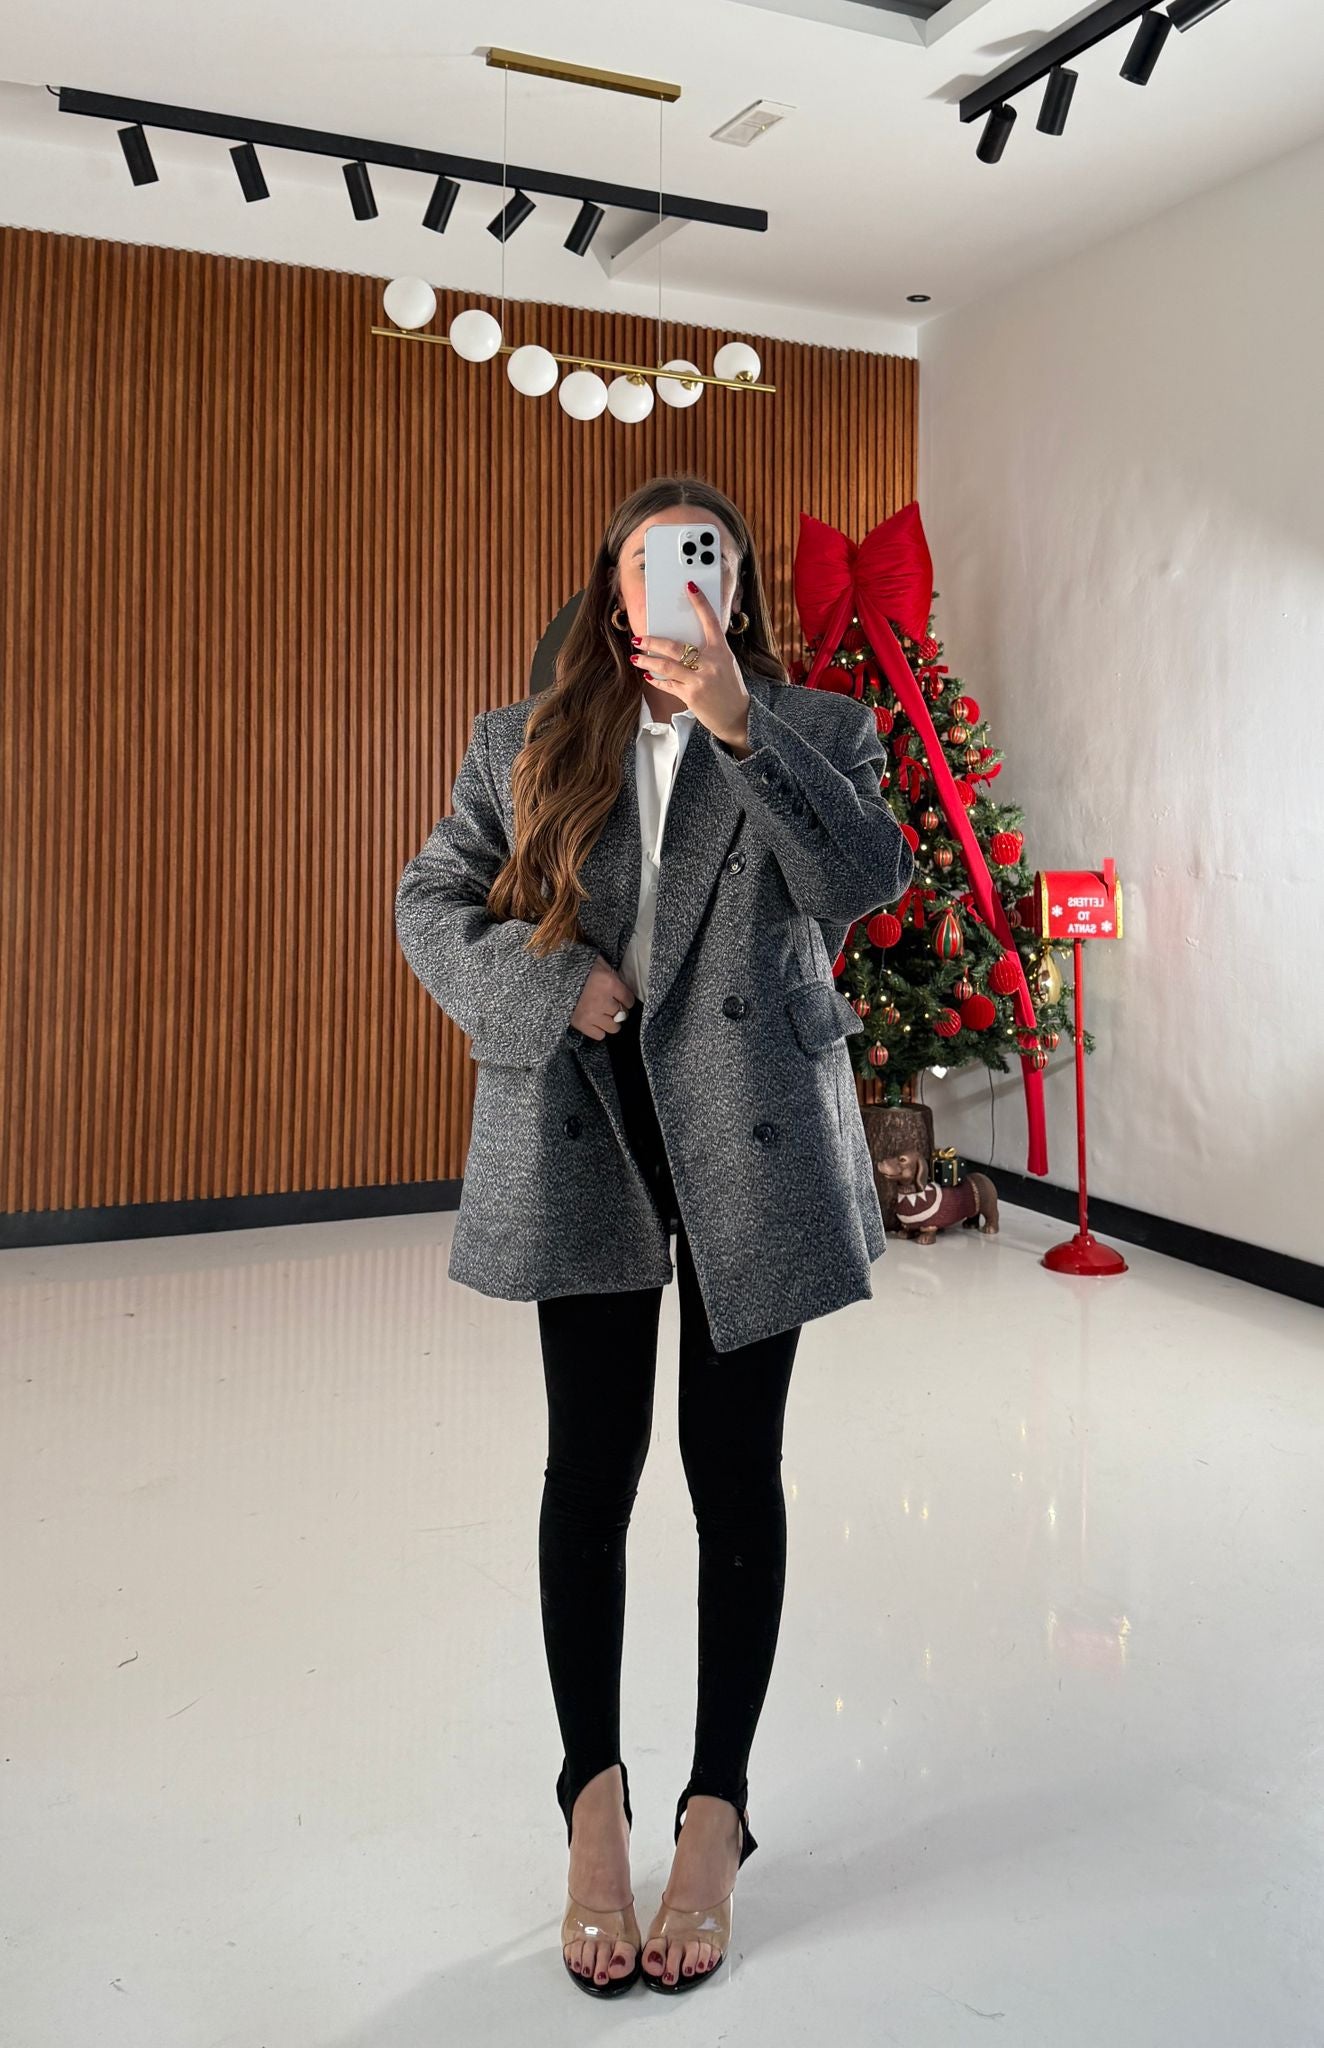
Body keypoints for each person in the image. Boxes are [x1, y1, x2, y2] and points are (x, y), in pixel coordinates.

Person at [394, 474, 916, 1999]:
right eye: (651, 559)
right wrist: (547, 982)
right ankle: (592, 1804)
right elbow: (430, 900)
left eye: (709, 561)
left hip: (753, 1127)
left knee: (733, 1471)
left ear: (736, 592)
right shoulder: (526, 737)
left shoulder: (818, 727)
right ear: (613, 586)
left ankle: (716, 1815)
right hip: (589, 1122)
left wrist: (744, 727)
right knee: (592, 1469)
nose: (682, 581)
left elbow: (866, 882)